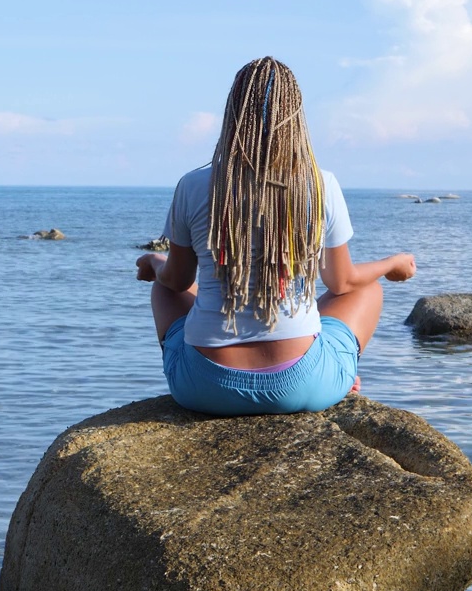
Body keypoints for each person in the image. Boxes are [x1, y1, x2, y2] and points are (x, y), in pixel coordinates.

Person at [136, 57, 416, 416]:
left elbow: (176, 280)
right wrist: (392, 264)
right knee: (369, 288)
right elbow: (342, 282)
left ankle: (318, 372)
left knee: (165, 289)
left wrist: (154, 262)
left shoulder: (193, 185)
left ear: (234, 113)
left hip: (205, 388)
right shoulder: (319, 184)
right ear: (296, 114)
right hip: (301, 384)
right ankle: (335, 375)